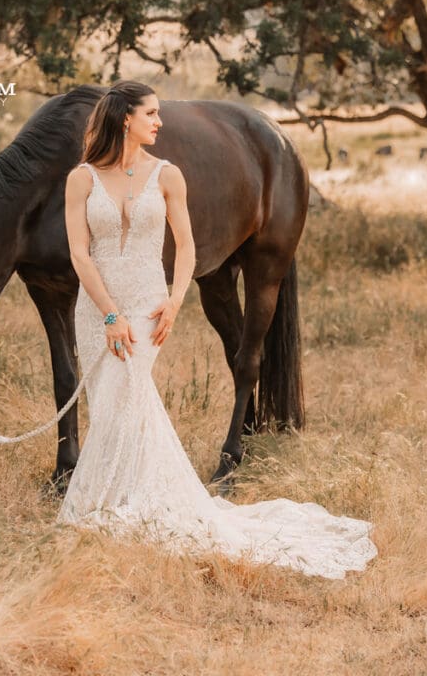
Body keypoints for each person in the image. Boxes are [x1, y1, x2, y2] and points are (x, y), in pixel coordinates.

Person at [59, 80, 377, 579]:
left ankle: (119, 503)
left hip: (147, 302)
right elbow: (79, 252)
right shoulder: (80, 179)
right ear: (126, 119)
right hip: (97, 308)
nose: (159, 122)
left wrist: (176, 300)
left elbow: (185, 246)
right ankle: (118, 496)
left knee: (131, 394)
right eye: (151, 114)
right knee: (109, 402)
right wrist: (107, 314)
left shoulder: (168, 175)